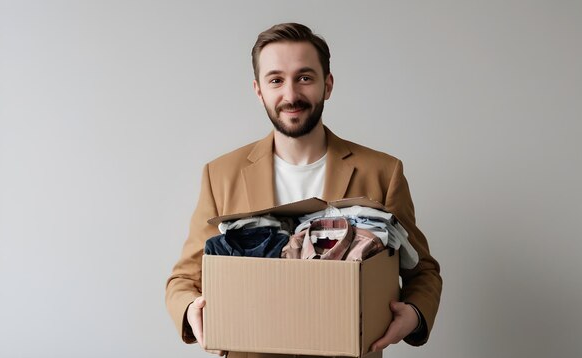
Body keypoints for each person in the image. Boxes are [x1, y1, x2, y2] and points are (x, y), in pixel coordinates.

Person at [165, 22, 442, 357]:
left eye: (304, 78)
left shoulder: (382, 172)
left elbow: (423, 271)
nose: (291, 95)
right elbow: (183, 279)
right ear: (259, 90)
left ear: (327, 85)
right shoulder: (221, 174)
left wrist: (412, 315)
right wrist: (191, 309)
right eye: (276, 80)